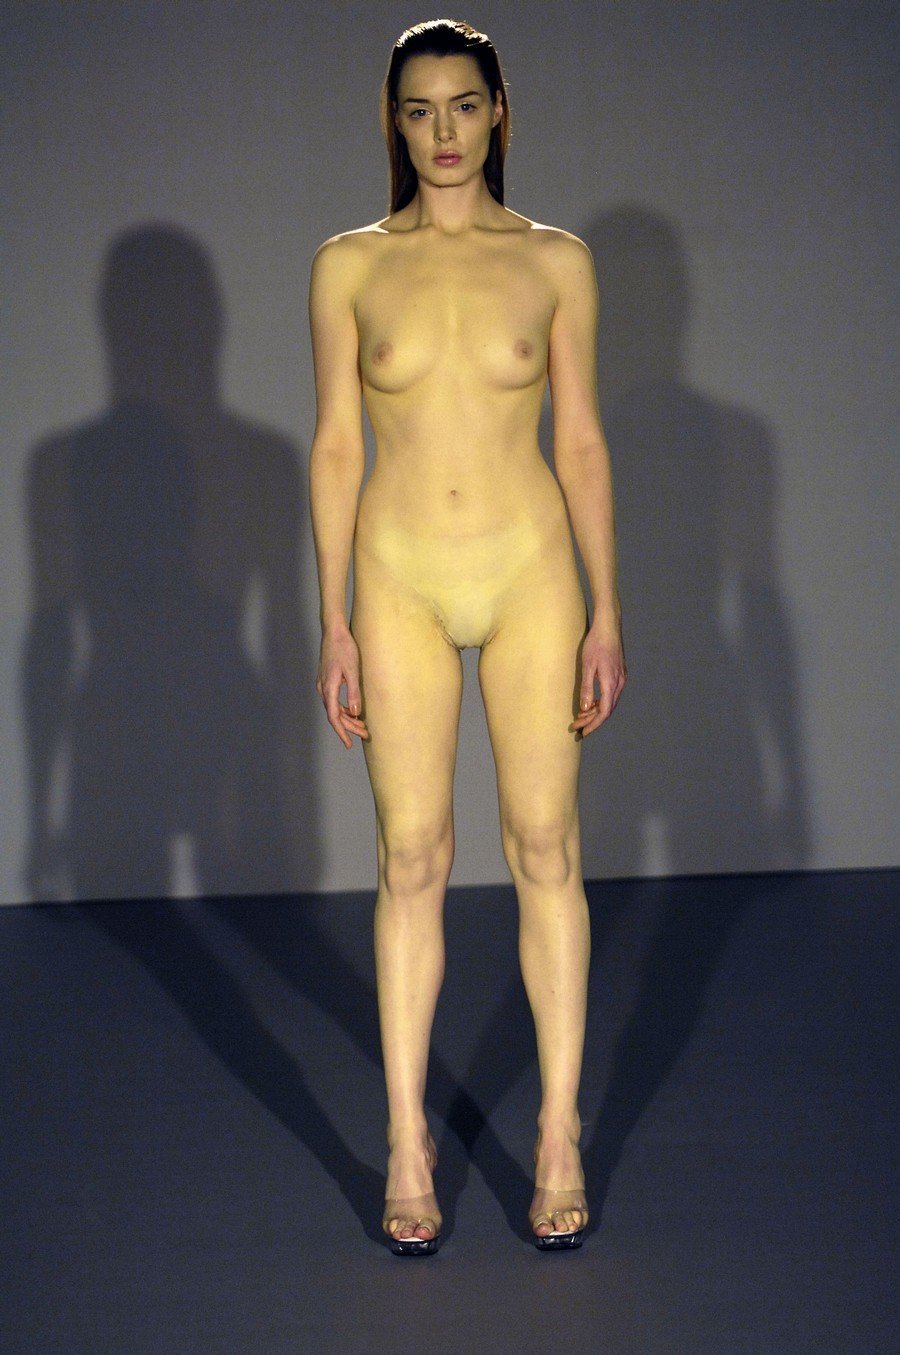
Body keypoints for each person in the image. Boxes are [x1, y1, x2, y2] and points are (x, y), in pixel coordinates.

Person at [308, 18, 625, 1255]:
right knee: (411, 855)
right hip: (398, 575)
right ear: (394, 123)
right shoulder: (348, 266)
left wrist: (608, 607)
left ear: (500, 112)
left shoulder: (556, 261)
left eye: (463, 105)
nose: (442, 131)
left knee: (546, 842)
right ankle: (406, 1138)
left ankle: (557, 1130)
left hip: (531, 568)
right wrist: (331, 617)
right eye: (419, 109)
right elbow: (337, 445)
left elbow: (581, 440)